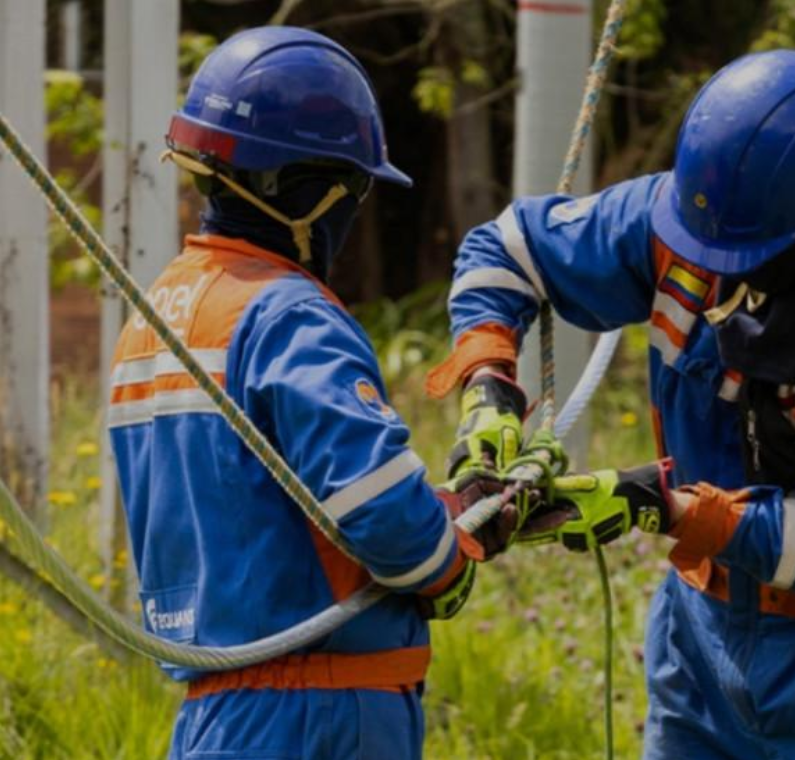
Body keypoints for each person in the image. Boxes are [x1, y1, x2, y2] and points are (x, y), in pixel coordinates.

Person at [429, 49, 795, 758]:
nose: (714, 273)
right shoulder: (691, 225)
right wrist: (489, 391)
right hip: (699, 642)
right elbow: (503, 250)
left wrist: (657, 505)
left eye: (744, 258)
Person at [108, 27, 509, 760]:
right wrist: (451, 558)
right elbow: (380, 509)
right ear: (310, 191)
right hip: (320, 710)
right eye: (353, 188)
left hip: (214, 719)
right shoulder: (288, 313)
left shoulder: (156, 315)